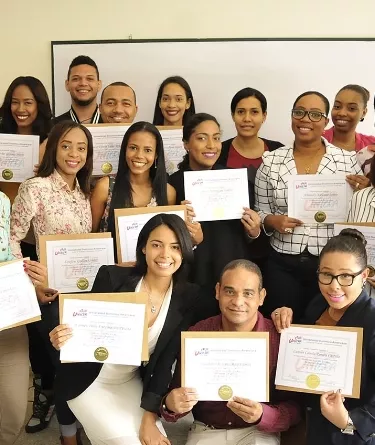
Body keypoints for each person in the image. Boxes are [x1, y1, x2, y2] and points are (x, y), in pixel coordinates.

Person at [49, 214, 201, 445]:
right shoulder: (112, 277)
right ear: (143, 248)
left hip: (130, 381)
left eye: (175, 247)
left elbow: (164, 362)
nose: (165, 255)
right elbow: (82, 329)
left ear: (185, 252)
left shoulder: (187, 296)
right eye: (156, 245)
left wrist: (150, 416)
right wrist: (62, 338)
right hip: (87, 380)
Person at [10, 120, 93, 445]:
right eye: (67, 145)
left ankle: (80, 422)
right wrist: (31, 283)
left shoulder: (83, 191)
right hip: (50, 294)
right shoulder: (36, 187)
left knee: (84, 363)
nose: (74, 154)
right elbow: (11, 240)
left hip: (83, 293)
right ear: (54, 148)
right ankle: (68, 434)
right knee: (65, 365)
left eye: (82, 147)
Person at [161, 259, 300, 445]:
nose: (238, 302)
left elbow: (295, 407)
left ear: (262, 297)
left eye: (248, 294)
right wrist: (171, 405)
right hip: (207, 430)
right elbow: (176, 401)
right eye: (229, 291)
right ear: (217, 291)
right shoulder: (198, 334)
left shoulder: (279, 337)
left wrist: (263, 415)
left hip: (257, 431)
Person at [255, 91, 362, 322]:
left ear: (326, 121)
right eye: (299, 112)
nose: (306, 119)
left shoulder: (347, 160)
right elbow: (260, 210)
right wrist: (272, 221)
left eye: (315, 114)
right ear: (292, 116)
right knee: (283, 327)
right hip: (283, 262)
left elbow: (358, 213)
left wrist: (362, 189)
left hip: (330, 267)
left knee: (322, 329)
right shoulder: (271, 161)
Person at [272, 228, 375, 445]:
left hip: (351, 434)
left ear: (364, 275)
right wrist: (285, 318)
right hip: (309, 421)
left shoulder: (372, 320)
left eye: (346, 276)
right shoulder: (317, 305)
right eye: (326, 274)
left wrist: (347, 420)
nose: (334, 285)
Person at [0, 75, 55, 433]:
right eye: (15, 102)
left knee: (32, 333)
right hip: (12, 236)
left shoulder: (50, 144)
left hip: (27, 244)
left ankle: (40, 393)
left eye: (28, 102)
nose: (21, 109)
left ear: (39, 106)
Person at [169, 113, 261, 317]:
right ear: (186, 144)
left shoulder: (235, 181)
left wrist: (254, 231)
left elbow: (249, 238)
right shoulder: (173, 186)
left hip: (233, 279)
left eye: (217, 138)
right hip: (192, 279)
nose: (211, 145)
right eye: (202, 138)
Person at [216, 87, 284, 274]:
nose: (247, 119)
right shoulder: (218, 152)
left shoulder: (279, 152)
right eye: (240, 112)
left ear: (264, 116)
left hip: (272, 246)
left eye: (254, 112)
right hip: (230, 244)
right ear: (232, 115)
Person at [0, 191, 47, 445]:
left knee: (14, 411)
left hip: (7, 318)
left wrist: (28, 277)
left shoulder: (2, 202)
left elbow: (9, 253)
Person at [90, 122, 176, 246]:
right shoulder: (105, 187)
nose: (139, 155)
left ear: (156, 155)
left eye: (148, 150)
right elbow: (92, 234)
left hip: (153, 264)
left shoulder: (168, 192)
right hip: (112, 264)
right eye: (133, 148)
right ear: (125, 149)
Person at [323, 85, 375, 152]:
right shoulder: (317, 139)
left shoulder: (371, 145)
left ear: (363, 113)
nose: (342, 113)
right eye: (337, 106)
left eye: (351, 108)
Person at [54, 55, 102, 124]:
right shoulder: (53, 126)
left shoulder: (111, 123)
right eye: (76, 79)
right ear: (67, 85)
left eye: (90, 79)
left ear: (99, 85)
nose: (83, 83)